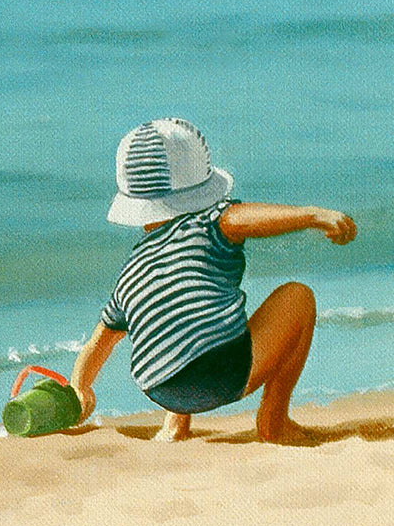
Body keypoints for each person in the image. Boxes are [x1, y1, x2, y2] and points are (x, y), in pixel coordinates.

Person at [70, 118, 356, 443]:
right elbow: (246, 218)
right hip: (222, 376)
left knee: (183, 316)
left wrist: (80, 386)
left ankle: (175, 426)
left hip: (160, 388)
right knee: (297, 296)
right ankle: (274, 420)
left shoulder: (134, 268)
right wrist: (312, 215)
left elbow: (100, 341)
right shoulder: (209, 222)